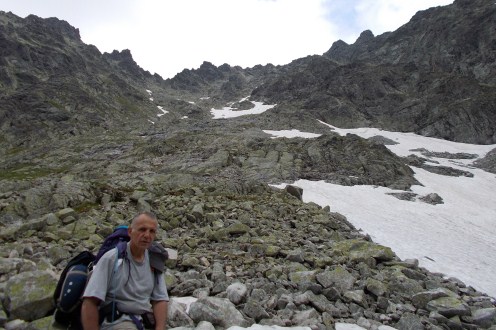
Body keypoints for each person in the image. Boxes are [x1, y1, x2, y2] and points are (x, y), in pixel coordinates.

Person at [81, 212, 169, 329]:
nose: (147, 235)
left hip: (145, 320)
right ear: (130, 231)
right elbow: (90, 302)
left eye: (152, 231)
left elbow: (160, 299)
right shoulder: (111, 258)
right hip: (118, 321)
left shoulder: (154, 259)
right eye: (142, 229)